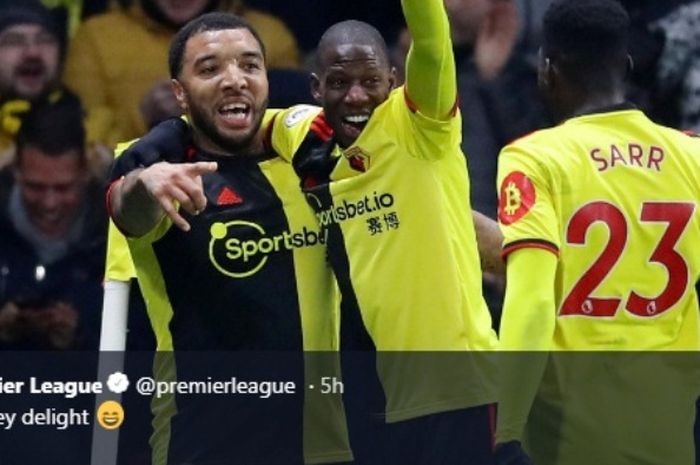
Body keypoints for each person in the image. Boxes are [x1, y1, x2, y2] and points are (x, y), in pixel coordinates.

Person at [107, 12, 350, 465]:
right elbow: (128, 211)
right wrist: (147, 182)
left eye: (249, 65)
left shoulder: (315, 169)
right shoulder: (168, 175)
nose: (234, 79)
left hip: (326, 446)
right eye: (210, 68)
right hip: (203, 446)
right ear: (179, 92)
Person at [494, 1, 700, 464]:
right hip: (668, 438)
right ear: (625, 65)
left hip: (569, 440)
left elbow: (532, 302)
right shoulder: (691, 157)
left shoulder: (535, 158)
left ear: (547, 69)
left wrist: (506, 430)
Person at [63, 0, 301, 148]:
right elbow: (79, 142)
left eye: (248, 66)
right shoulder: (96, 36)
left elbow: (292, 125)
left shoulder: (270, 35)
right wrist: (144, 121)